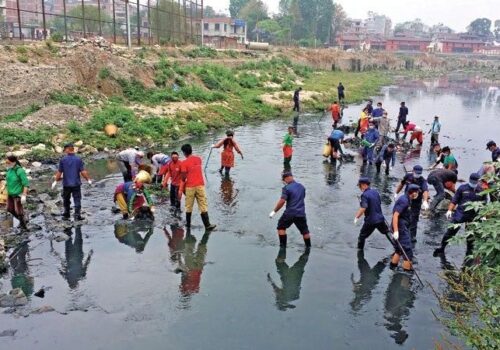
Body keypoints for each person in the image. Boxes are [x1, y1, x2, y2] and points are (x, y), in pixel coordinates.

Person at [433, 173, 486, 257]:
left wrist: (483, 215)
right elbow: (454, 200)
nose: (474, 183)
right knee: (450, 232)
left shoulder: (482, 190)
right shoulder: (462, 188)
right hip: (460, 214)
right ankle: (442, 248)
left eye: (475, 182)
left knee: (470, 236)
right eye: (472, 181)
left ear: (478, 181)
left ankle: (469, 253)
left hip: (473, 216)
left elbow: (484, 204)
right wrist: (449, 210)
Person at [179, 144, 216, 231]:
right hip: (200, 185)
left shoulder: (184, 163)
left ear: (184, 153)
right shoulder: (198, 159)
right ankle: (207, 225)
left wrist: (181, 189)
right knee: (203, 204)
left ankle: (188, 225)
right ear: (191, 150)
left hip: (190, 187)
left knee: (188, 206)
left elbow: (184, 178)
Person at [269, 172, 311, 249]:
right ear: (292, 176)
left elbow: (282, 201)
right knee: (305, 231)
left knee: (281, 227)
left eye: (284, 180)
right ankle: (308, 247)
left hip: (290, 213)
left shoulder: (286, 188)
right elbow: (302, 198)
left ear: (285, 179)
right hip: (301, 213)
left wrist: (274, 211)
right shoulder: (302, 187)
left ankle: (283, 247)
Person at [52, 143, 92, 221]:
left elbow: (59, 173)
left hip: (66, 184)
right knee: (77, 199)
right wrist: (88, 180)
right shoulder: (78, 159)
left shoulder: (63, 160)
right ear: (72, 149)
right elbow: (83, 172)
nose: (64, 151)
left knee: (66, 199)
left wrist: (55, 181)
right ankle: (77, 216)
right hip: (76, 184)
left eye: (64, 150)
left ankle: (66, 214)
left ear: (67, 149)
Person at [394, 165, 430, 242]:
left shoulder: (422, 181)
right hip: (407, 200)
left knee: (414, 219)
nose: (418, 175)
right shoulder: (408, 176)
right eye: (416, 173)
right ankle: (400, 232)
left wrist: (425, 201)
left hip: (416, 202)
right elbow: (402, 184)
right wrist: (396, 193)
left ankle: (412, 237)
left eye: (419, 173)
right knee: (403, 217)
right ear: (413, 171)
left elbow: (425, 191)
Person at [353, 177, 390, 250]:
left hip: (370, 221)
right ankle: (397, 246)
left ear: (363, 185)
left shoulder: (364, 195)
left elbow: (363, 208)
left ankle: (359, 250)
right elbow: (378, 203)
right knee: (387, 232)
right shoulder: (375, 192)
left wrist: (356, 217)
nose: (359, 187)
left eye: (360, 186)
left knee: (362, 236)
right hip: (380, 219)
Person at [391, 184, 420, 271]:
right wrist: (396, 231)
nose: (418, 194)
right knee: (408, 251)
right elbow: (396, 215)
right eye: (417, 192)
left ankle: (393, 267)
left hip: (402, 226)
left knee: (399, 250)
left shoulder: (408, 199)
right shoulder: (404, 201)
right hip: (400, 228)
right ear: (413, 193)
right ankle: (406, 276)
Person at [5, 155, 29, 230]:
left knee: (18, 212)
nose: (6, 164)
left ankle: (24, 227)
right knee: (9, 209)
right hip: (10, 193)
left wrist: (24, 195)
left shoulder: (20, 171)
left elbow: (26, 184)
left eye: (8, 162)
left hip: (18, 194)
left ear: (13, 162)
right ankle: (23, 220)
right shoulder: (9, 170)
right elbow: (8, 180)